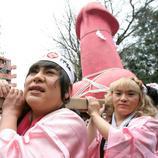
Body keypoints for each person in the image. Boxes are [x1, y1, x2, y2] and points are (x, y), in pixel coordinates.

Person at [0, 52, 88, 158]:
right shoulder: (21, 116)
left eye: (50, 73)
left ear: (67, 91)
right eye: (33, 72)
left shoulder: (70, 123)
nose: (37, 77)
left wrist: (9, 114)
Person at [86, 77, 158, 158]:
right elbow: (87, 145)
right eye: (118, 93)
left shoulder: (148, 123)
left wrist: (95, 115)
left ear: (140, 99)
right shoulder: (105, 121)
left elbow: (123, 141)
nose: (123, 99)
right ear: (111, 96)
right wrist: (93, 118)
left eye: (130, 94)